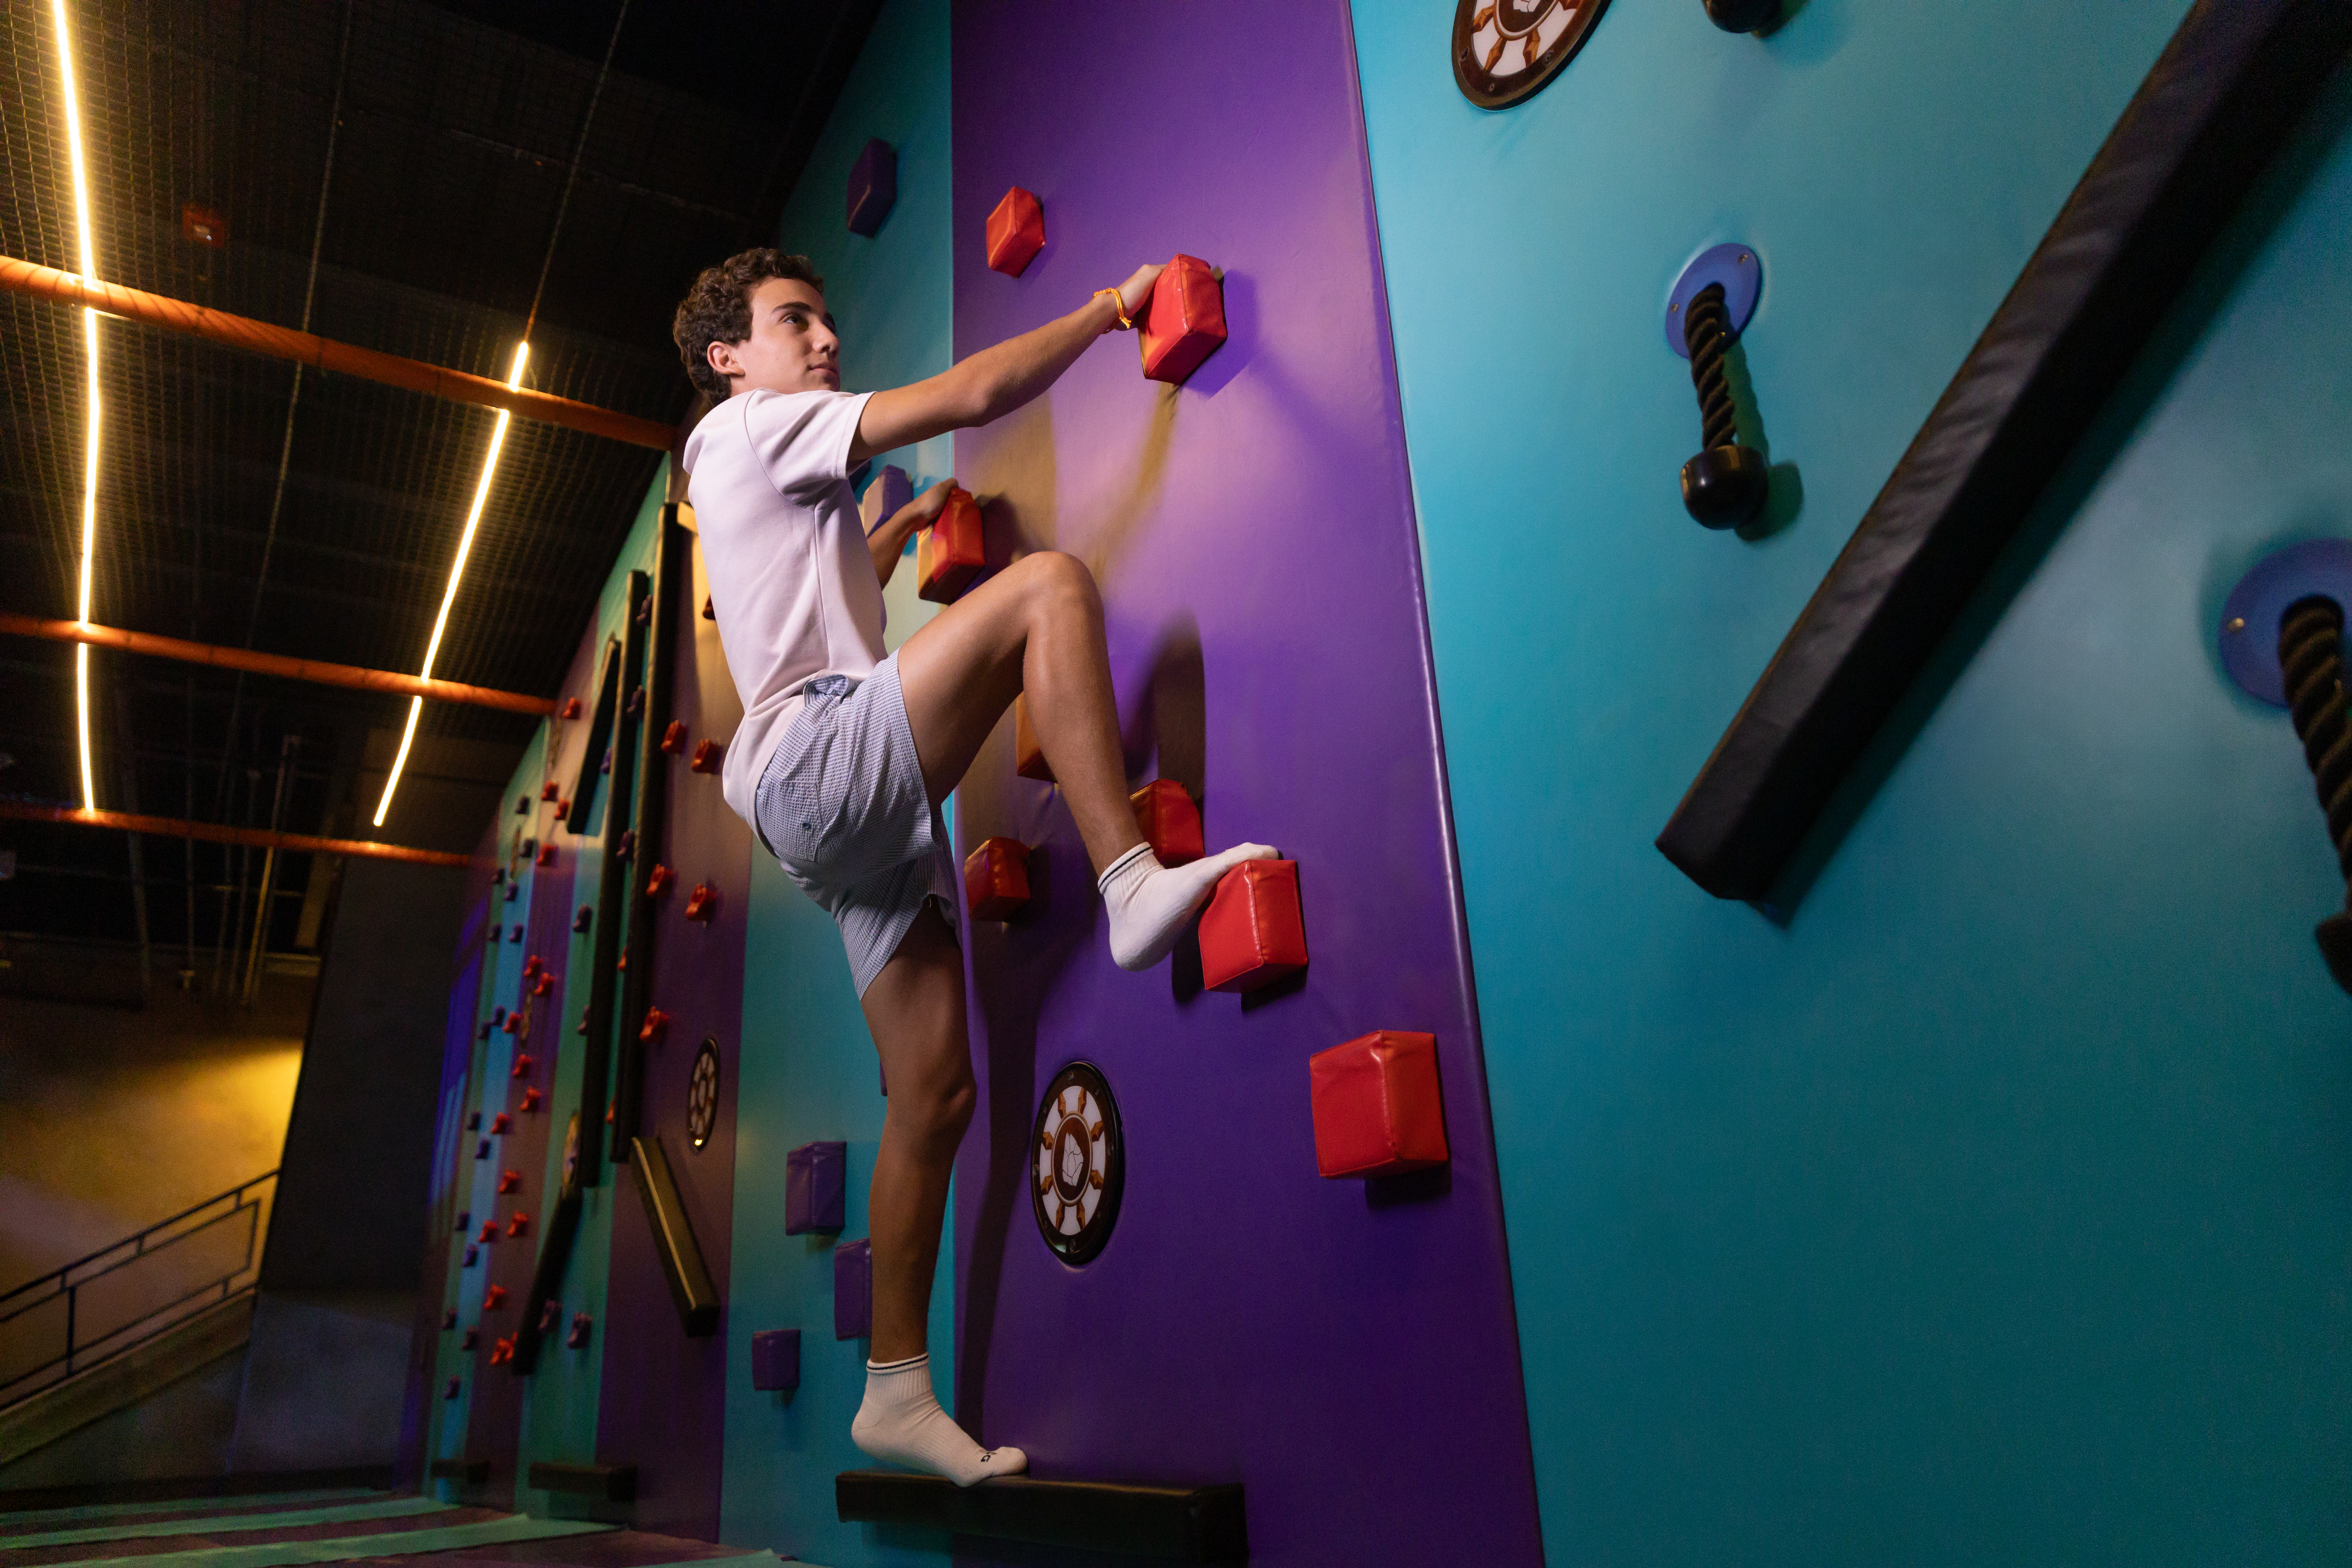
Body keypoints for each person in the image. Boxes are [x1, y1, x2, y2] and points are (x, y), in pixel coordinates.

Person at [671, 250, 1274, 1486]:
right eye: (797, 322)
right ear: (730, 358)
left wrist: (878, 541)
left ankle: (894, 1389)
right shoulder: (750, 426)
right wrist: (1112, 307)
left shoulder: (754, 470)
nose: (826, 338)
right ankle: (1129, 883)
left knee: (937, 1097)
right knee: (1048, 588)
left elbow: (802, 599)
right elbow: (976, 392)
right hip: (823, 760)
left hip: (837, 813)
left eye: (830, 319)